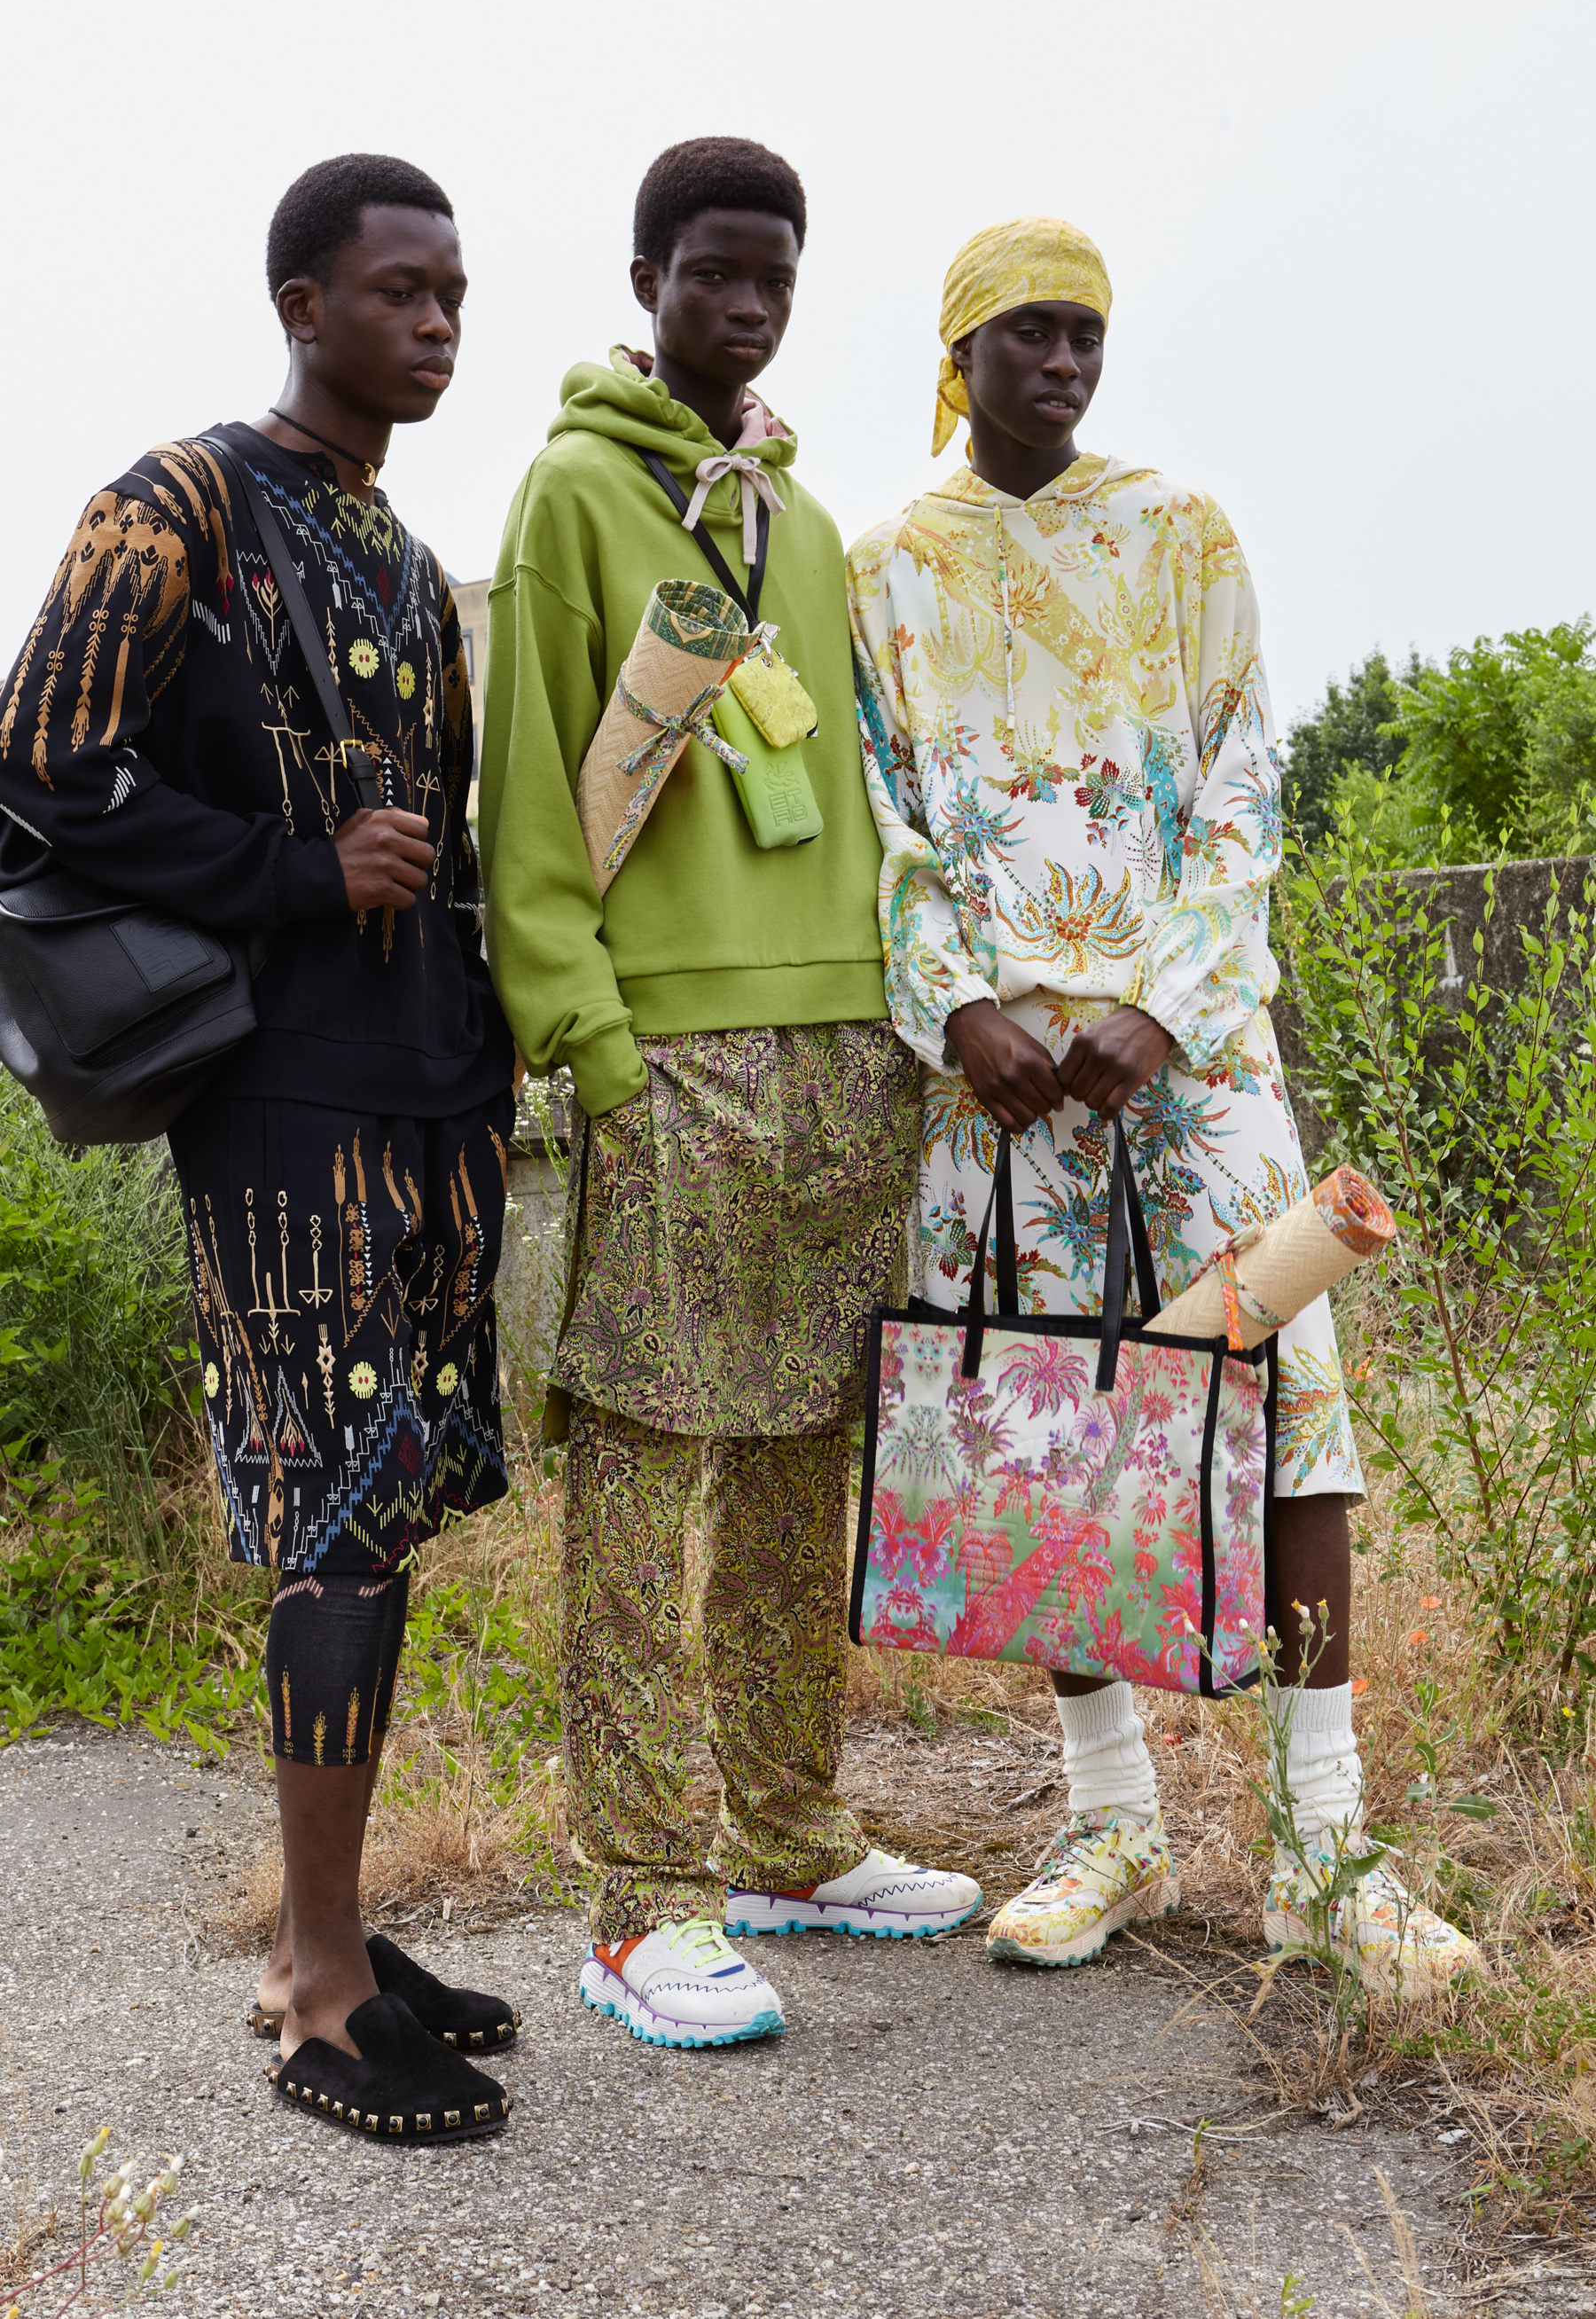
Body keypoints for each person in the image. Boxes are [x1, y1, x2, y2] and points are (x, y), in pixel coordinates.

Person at [846, 215, 1479, 1993]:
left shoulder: (1186, 537)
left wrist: (1160, 1002)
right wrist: (959, 1006)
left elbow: (1240, 794)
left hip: (1191, 1059)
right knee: (1055, 1422)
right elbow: (888, 817)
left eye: (1087, 337)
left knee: (1282, 1408)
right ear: (956, 355)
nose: (1063, 364)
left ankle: (1322, 1849)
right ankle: (1110, 1820)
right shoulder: (882, 569)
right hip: (1000, 1087)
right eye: (1029, 334)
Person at [0, 154, 521, 2139]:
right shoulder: (176, 505)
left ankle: (344, 1925)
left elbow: (450, 856)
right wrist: (292, 871)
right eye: (402, 291)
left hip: (422, 1095)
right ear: (301, 301)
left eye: (458, 294)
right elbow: (37, 763)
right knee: (332, 1509)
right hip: (274, 1097)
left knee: (391, 1504)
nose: (439, 324)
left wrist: (481, 1083)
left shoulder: (400, 557)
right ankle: (311, 1993)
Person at [479, 136, 982, 2049]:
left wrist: (890, 1028)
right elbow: (531, 794)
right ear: (645, 278)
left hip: (840, 1051)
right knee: (644, 1466)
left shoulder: (808, 520)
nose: (745, 301)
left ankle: (786, 1831)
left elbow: (846, 792)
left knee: (797, 1465)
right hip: (667, 1053)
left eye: (773, 272)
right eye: (710, 269)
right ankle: (638, 1904)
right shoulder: (572, 497)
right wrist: (593, 1047)